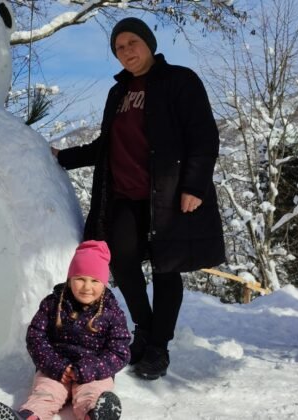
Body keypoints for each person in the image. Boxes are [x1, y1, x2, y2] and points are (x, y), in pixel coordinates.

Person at [53, 17, 225, 380]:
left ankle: (158, 346)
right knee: (122, 262)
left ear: (148, 42)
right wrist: (60, 158)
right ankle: (145, 328)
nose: (126, 51)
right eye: (119, 47)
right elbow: (107, 146)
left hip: (169, 195)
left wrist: (194, 187)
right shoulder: (119, 93)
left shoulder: (180, 81)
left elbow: (203, 136)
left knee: (166, 268)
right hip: (125, 197)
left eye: (132, 42)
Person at [0, 240, 130, 420]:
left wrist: (89, 368)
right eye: (80, 278)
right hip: (56, 368)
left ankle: (95, 416)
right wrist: (56, 365)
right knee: (45, 394)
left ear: (104, 283)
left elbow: (119, 352)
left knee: (92, 395)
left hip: (94, 372)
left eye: (95, 280)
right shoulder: (53, 304)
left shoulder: (112, 312)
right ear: (70, 278)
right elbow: (36, 338)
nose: (87, 287)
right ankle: (27, 417)